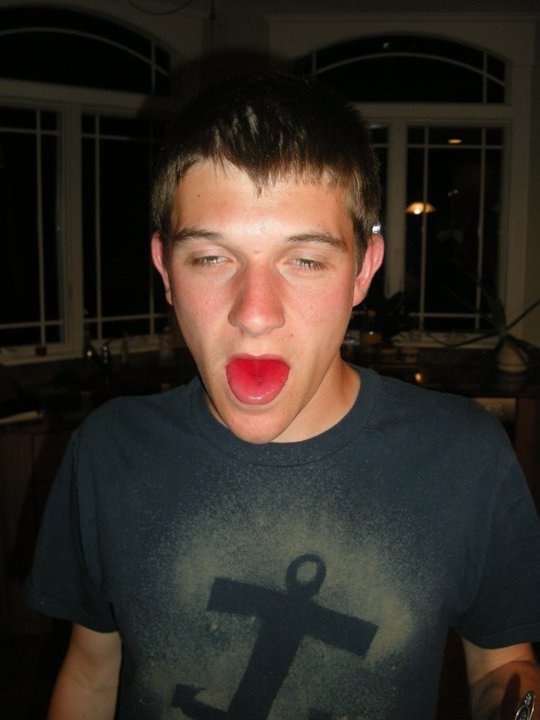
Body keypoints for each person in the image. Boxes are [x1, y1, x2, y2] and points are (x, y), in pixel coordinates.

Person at [25, 73, 540, 720]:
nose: (256, 313)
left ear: (363, 270)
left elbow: (502, 665)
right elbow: (91, 673)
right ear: (165, 270)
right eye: (210, 258)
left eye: (306, 260)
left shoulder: (466, 457)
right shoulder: (108, 451)